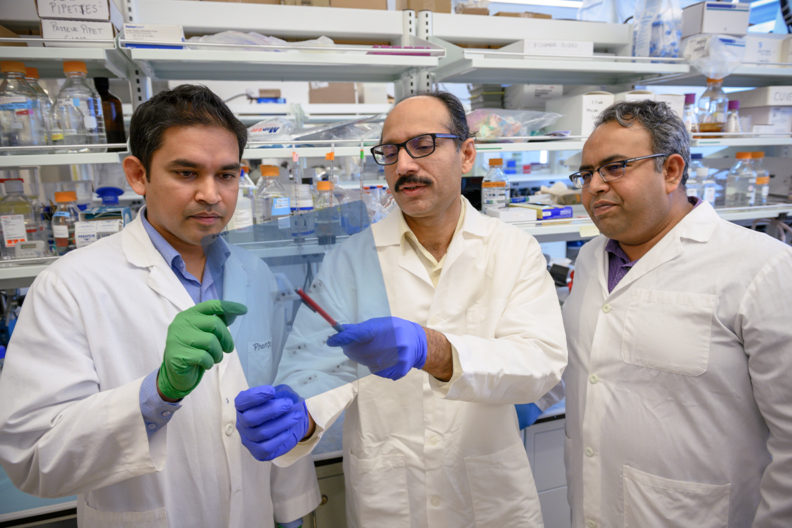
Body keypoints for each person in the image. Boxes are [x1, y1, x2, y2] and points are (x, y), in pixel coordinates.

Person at [234, 91, 568, 527]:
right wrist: (300, 416)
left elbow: (541, 362)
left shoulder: (513, 249)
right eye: (390, 152)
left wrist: (435, 350)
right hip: (390, 496)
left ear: (467, 154)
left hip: (489, 498)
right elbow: (322, 366)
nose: (405, 165)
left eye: (423, 144)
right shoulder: (352, 258)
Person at [0, 85, 319, 528]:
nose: (211, 194)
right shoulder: (69, 286)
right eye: (187, 173)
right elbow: (34, 458)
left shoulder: (256, 275)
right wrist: (158, 393)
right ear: (138, 174)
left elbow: (277, 407)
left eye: (226, 175)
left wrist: (291, 510)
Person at [562, 99, 792, 526]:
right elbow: (584, 363)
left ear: (670, 171)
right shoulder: (591, 258)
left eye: (615, 167)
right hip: (594, 507)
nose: (594, 185)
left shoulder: (764, 268)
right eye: (587, 172)